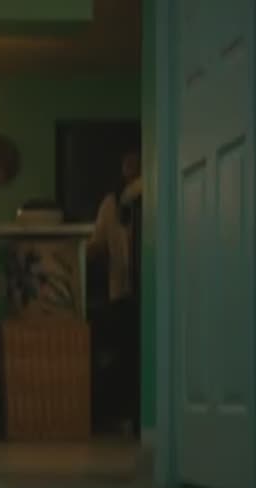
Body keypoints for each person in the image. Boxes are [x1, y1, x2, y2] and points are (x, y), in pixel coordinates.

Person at [87, 150, 142, 436]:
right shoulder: (112, 203)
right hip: (121, 290)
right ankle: (123, 413)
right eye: (127, 161)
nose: (129, 166)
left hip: (142, 290)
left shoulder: (149, 194)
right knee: (125, 352)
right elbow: (97, 244)